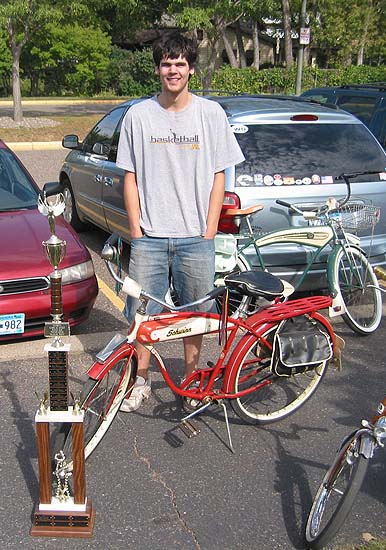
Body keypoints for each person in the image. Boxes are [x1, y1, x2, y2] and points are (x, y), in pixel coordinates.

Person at [116, 32, 245, 412]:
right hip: (151, 237)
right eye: (166, 63)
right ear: (158, 69)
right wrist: (137, 231)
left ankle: (190, 380)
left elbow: (220, 174)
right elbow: (130, 176)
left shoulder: (211, 114)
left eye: (180, 63)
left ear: (191, 68)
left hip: (196, 238)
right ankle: (141, 379)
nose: (173, 70)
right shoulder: (139, 116)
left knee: (196, 316)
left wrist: (209, 229)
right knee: (142, 317)